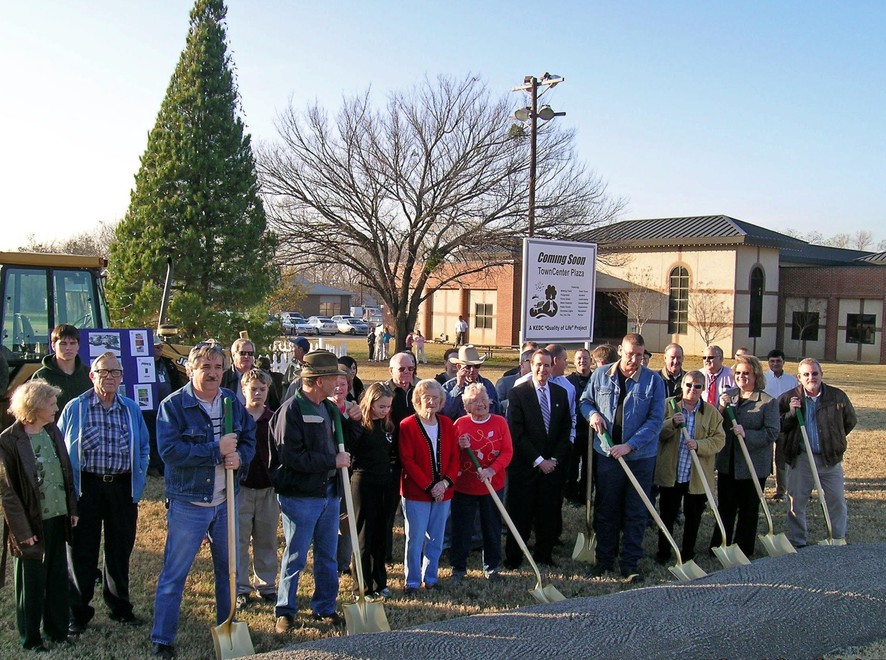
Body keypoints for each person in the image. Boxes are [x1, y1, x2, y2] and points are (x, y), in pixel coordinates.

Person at [150, 340, 256, 659]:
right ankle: (162, 639)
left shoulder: (230, 402)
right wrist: (215, 451)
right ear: (190, 369)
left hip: (225, 502)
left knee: (228, 571)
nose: (212, 373)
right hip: (189, 503)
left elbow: (248, 438)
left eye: (217, 367)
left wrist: (240, 457)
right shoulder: (173, 406)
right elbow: (169, 452)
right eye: (205, 367)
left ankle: (227, 626)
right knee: (175, 573)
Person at [58, 351, 150, 634]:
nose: (109, 377)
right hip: (87, 488)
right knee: (81, 551)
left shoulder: (130, 409)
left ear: (122, 377)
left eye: (115, 372)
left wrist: (139, 479)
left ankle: (120, 607)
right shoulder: (75, 407)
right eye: (103, 372)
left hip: (121, 488)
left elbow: (144, 447)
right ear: (92, 375)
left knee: (119, 551)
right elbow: (61, 450)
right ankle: (78, 613)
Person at [270, 350, 359, 634]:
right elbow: (291, 457)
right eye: (334, 376)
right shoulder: (291, 411)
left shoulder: (330, 408)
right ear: (319, 381)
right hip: (300, 497)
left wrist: (356, 422)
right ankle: (285, 611)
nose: (339, 381)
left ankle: (324, 607)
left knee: (327, 554)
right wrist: (331, 461)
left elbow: (347, 443)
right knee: (295, 555)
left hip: (329, 495)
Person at [579, 333, 665, 580]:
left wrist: (630, 446)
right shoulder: (601, 375)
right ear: (620, 350)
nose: (634, 360)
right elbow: (585, 401)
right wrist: (592, 414)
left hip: (639, 458)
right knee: (606, 508)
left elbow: (655, 421)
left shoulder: (653, 382)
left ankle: (630, 563)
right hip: (607, 455)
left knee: (636, 511)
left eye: (639, 355)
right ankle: (604, 559)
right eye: (630, 354)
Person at [0, 380, 78, 652]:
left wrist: (71, 509)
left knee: (57, 578)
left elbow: (65, 473)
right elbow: (9, 494)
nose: (57, 407)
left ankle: (57, 631)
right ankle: (31, 638)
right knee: (30, 584)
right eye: (52, 403)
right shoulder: (9, 441)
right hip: (31, 524)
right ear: (34, 406)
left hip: (57, 517)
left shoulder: (52, 431)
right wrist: (23, 533)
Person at [504, 349, 572, 568]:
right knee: (520, 514)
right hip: (525, 467)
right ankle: (514, 557)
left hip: (552, 468)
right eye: (538, 365)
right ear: (530, 365)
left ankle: (544, 554)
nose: (543, 369)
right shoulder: (518, 394)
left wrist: (553, 460)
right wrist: (538, 460)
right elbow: (517, 432)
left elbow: (565, 430)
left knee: (548, 513)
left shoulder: (561, 394)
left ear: (553, 367)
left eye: (547, 365)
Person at [778, 358, 856, 548]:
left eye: (814, 373)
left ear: (821, 375)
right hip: (801, 458)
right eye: (806, 374)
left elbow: (849, 421)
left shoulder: (837, 396)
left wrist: (834, 440)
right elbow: (778, 425)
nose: (811, 377)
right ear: (799, 378)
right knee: (797, 502)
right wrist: (790, 412)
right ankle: (799, 541)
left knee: (836, 500)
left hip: (829, 459)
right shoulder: (788, 398)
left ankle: (837, 538)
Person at [711, 355, 779, 558]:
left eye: (746, 373)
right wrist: (721, 408)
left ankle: (743, 548)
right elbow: (713, 424)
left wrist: (747, 434)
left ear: (756, 375)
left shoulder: (767, 402)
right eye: (738, 373)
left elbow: (772, 432)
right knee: (725, 507)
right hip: (728, 462)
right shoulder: (728, 396)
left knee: (748, 508)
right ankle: (720, 544)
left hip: (753, 465)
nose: (742, 377)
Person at [655, 371, 725, 563]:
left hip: (696, 474)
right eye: (688, 385)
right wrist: (671, 423)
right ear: (682, 385)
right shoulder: (668, 406)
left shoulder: (711, 413)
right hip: (672, 472)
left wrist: (699, 445)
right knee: (667, 515)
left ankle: (687, 553)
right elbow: (655, 432)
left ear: (703, 389)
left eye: (697, 386)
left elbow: (719, 440)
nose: (692, 390)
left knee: (693, 517)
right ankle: (663, 552)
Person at [398, 379, 459, 592]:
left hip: (444, 492)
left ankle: (430, 578)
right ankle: (412, 581)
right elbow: (407, 460)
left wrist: (444, 483)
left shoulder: (447, 424)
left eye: (435, 398)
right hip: (416, 493)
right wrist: (430, 485)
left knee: (436, 538)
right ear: (418, 400)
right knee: (415, 539)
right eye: (427, 398)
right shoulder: (407, 425)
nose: (431, 402)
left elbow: (454, 456)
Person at [451, 384, 513, 582]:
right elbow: (451, 455)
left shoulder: (500, 422)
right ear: (467, 406)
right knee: (462, 527)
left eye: (483, 400)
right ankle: (458, 567)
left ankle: (491, 567)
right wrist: (459, 446)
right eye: (474, 401)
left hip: (493, 486)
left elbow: (507, 452)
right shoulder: (459, 424)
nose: (480, 404)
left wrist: (490, 470)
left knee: (492, 526)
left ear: (490, 402)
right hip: (464, 487)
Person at [235, 369, 278, 608]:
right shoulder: (237, 418)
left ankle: (267, 584)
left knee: (266, 539)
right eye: (253, 389)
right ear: (244, 391)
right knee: (240, 540)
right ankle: (241, 587)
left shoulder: (273, 418)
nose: (258, 393)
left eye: (262, 389)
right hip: (242, 487)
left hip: (267, 488)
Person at [350, 382, 396, 598]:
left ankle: (380, 582)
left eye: (388, 407)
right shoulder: (360, 426)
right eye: (381, 406)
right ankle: (362, 585)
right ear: (370, 403)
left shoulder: (387, 427)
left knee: (380, 534)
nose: (385, 410)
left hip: (384, 482)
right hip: (363, 482)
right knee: (364, 535)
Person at [383, 352, 418, 563]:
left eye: (411, 369)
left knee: (415, 513)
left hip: (415, 460)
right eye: (401, 369)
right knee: (387, 512)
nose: (406, 373)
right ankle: (385, 554)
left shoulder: (420, 391)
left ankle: (415, 553)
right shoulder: (383, 392)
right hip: (391, 460)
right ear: (391, 371)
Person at [31, 324, 92, 417]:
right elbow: (33, 411)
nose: (68, 348)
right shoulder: (41, 376)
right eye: (63, 344)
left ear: (78, 346)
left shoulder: (90, 374)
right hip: (52, 430)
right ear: (53, 346)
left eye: (72, 343)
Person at [144, 339, 184, 477]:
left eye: (161, 346)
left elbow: (177, 382)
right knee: (152, 436)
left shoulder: (168, 364)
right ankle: (154, 465)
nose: (160, 348)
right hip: (149, 407)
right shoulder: (144, 363)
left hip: (167, 406)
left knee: (166, 434)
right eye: (156, 346)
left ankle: (164, 464)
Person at [763, 349, 799, 501]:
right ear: (768, 362)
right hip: (765, 422)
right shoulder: (763, 378)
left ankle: (782, 490)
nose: (775, 363)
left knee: (782, 458)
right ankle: (760, 488)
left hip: (785, 423)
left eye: (778, 361)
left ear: (784, 362)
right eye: (772, 361)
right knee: (764, 457)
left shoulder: (792, 381)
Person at [565, 348, 593, 505]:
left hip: (592, 431)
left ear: (591, 361)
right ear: (574, 362)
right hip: (574, 430)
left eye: (585, 358)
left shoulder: (596, 379)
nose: (583, 361)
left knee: (589, 467)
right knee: (572, 465)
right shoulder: (568, 381)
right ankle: (571, 495)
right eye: (579, 359)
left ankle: (586, 495)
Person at [442, 345, 500, 419]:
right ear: (459, 367)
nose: (472, 370)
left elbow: (498, 412)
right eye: (468, 367)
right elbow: (446, 413)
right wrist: (458, 386)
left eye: (477, 366)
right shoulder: (448, 386)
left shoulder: (487, 385)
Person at [495, 348, 533, 417]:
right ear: (522, 364)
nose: (534, 366)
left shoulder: (542, 385)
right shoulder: (505, 382)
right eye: (531, 362)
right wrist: (515, 400)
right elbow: (497, 405)